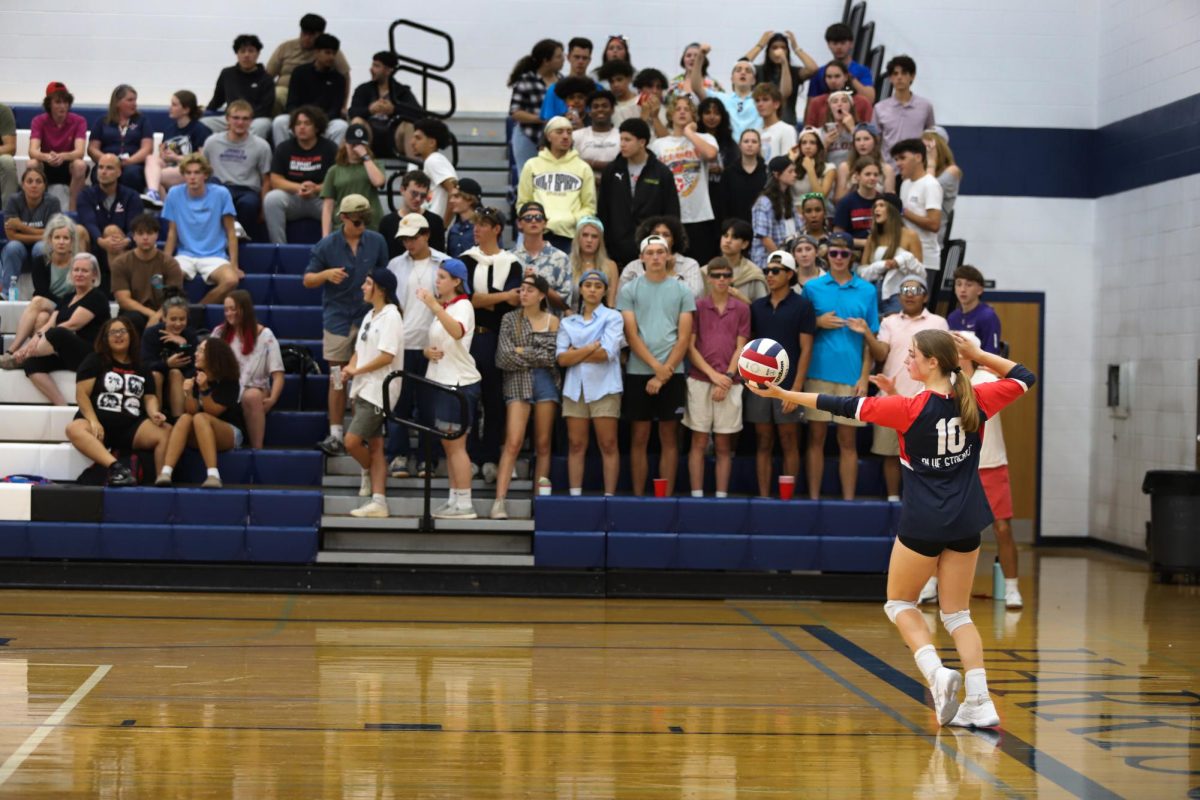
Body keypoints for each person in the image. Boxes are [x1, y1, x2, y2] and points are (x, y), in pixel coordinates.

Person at [746, 330, 1037, 729]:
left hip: (923, 522)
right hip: (967, 521)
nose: (906, 361)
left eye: (912, 355)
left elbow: (840, 404)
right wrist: (978, 353)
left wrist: (781, 395)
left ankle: (937, 674)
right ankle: (981, 701)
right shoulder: (977, 399)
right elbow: (1024, 376)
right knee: (958, 615)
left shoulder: (906, 409)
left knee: (899, 604)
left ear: (933, 362)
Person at [305, 194, 389, 457]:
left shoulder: (376, 241)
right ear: (343, 218)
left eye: (365, 220)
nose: (361, 224)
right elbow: (307, 279)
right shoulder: (326, 245)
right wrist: (326, 275)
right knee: (337, 377)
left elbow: (385, 276)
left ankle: (368, 430)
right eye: (356, 221)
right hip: (338, 317)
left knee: (370, 373)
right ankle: (336, 433)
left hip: (368, 317)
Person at [851, 274, 947, 501]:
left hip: (926, 401)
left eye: (915, 290)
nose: (909, 295)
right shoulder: (889, 322)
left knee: (925, 457)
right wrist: (867, 332)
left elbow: (944, 359)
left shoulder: (938, 323)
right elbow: (881, 354)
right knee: (891, 454)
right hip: (892, 399)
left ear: (925, 296)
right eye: (904, 290)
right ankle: (893, 499)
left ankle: (920, 500)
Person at [801, 232, 878, 500]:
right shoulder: (812, 288)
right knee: (816, 438)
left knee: (848, 441)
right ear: (827, 255)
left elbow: (872, 339)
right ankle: (812, 499)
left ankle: (849, 502)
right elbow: (801, 330)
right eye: (833, 253)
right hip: (817, 373)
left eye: (844, 253)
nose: (838, 258)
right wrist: (817, 323)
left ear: (852, 257)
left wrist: (864, 376)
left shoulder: (868, 290)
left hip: (850, 376)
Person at [618, 234, 696, 497]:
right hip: (639, 372)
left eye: (660, 252)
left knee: (669, 437)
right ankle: (639, 497)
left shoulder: (683, 291)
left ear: (668, 256)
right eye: (649, 253)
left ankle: (664, 497)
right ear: (641, 258)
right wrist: (656, 369)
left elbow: (684, 337)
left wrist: (664, 374)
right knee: (639, 437)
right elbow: (631, 335)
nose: (655, 257)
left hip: (672, 372)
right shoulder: (629, 290)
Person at [66, 317, 170, 487]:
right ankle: (117, 467)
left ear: (131, 336)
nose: (118, 336)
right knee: (73, 429)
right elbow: (82, 394)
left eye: (122, 331)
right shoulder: (95, 360)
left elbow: (149, 397)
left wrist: (154, 413)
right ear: (105, 339)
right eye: (112, 332)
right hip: (99, 424)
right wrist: (93, 421)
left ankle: (161, 479)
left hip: (132, 425)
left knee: (166, 431)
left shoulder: (141, 367)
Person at [416, 259, 483, 519]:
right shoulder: (446, 307)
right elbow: (440, 342)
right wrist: (426, 351)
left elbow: (456, 332)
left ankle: (465, 503)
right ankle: (454, 500)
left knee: (456, 446)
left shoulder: (463, 305)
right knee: (448, 445)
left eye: (443, 277)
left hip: (459, 384)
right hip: (442, 380)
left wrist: (432, 305)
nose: (437, 281)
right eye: (437, 276)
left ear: (457, 281)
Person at [744, 251, 815, 497]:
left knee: (788, 440)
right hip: (760, 386)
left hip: (788, 385)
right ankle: (764, 496)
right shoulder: (757, 306)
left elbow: (806, 350)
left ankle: (788, 497)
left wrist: (795, 390)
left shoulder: (803, 306)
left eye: (775, 271)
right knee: (763, 441)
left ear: (790, 274)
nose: (769, 275)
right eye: (767, 271)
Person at [385, 212, 449, 477]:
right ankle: (398, 454)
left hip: (432, 344)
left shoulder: (444, 264)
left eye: (413, 238)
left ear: (426, 236)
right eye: (405, 239)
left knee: (428, 405)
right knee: (398, 402)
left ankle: (428, 457)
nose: (409, 244)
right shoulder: (395, 265)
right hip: (402, 343)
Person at [491, 274, 561, 517]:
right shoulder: (509, 318)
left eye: (529, 290)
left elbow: (551, 356)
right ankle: (499, 500)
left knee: (543, 443)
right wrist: (534, 352)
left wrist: (521, 350)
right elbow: (503, 357)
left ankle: (540, 501)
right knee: (513, 441)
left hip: (546, 383)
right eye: (521, 290)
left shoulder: (553, 320)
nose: (523, 294)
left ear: (542, 295)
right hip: (518, 382)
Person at [460, 206, 520, 481]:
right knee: (469, 397)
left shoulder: (512, 262)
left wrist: (489, 298)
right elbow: (468, 300)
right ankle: (469, 454)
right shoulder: (466, 260)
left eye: (483, 224)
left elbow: (515, 301)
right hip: (471, 336)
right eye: (476, 223)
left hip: (499, 338)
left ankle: (490, 456)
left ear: (497, 229)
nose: (477, 228)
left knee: (495, 400)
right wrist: (501, 296)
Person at [343, 269, 405, 518]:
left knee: (352, 442)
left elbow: (387, 356)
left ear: (381, 289)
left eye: (367, 283)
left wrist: (358, 369)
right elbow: (360, 348)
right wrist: (351, 368)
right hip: (362, 386)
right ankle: (379, 501)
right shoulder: (370, 314)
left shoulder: (392, 316)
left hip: (379, 389)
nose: (362, 287)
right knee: (376, 445)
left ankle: (368, 470)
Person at [685, 261, 749, 498]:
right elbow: (690, 347)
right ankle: (696, 495)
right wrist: (714, 376)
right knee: (699, 441)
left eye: (726, 275)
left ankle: (721, 496)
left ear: (731, 278)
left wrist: (728, 377)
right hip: (700, 379)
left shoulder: (742, 309)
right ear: (709, 279)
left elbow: (741, 347)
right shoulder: (698, 307)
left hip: (731, 382)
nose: (721, 279)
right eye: (717, 275)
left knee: (723, 444)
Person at [556, 270, 624, 497]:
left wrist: (577, 351)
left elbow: (607, 353)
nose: (593, 289)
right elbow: (562, 359)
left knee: (608, 443)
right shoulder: (568, 322)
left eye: (598, 286)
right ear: (581, 289)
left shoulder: (613, 317)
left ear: (604, 291)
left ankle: (609, 497)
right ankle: (575, 495)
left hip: (605, 387)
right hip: (575, 389)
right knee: (575, 444)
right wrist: (589, 349)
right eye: (588, 285)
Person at [13, 253, 111, 405]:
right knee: (31, 363)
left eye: (84, 271)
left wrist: (29, 347)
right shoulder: (68, 297)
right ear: (71, 273)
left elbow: (72, 324)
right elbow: (49, 324)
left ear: (94, 275)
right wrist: (33, 341)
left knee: (59, 332)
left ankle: (20, 356)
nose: (79, 274)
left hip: (91, 354)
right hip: (68, 353)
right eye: (76, 270)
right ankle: (60, 404)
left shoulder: (97, 297)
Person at [155, 336, 247, 489]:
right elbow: (191, 411)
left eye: (202, 351)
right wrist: (189, 394)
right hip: (202, 430)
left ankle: (213, 475)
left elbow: (214, 412)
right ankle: (166, 472)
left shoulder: (228, 380)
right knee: (185, 418)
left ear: (214, 356)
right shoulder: (196, 375)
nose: (196, 354)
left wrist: (204, 389)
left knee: (201, 418)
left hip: (230, 432)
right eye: (197, 350)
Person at [597, 118, 680, 267]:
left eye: (627, 140)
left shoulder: (662, 173)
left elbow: (671, 213)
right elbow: (603, 210)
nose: (622, 144)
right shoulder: (611, 170)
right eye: (621, 139)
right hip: (616, 251)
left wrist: (667, 247)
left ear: (642, 142)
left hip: (652, 251)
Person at [162, 154, 242, 305]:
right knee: (168, 278)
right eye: (188, 173)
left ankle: (196, 310)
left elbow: (231, 232)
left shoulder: (221, 193)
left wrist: (234, 264)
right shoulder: (174, 193)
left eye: (197, 172)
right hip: (185, 254)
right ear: (183, 175)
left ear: (205, 175)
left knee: (231, 281)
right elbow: (172, 232)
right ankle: (178, 311)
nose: (192, 177)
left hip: (215, 255)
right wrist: (165, 262)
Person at [650, 97, 719, 264]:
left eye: (686, 109)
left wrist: (689, 132)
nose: (682, 112)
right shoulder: (659, 144)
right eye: (678, 108)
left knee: (701, 266)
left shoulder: (705, 138)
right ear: (670, 114)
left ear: (693, 115)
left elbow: (711, 154)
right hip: (670, 217)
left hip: (700, 216)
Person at [213, 290, 285, 450]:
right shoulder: (219, 333)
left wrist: (272, 399)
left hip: (256, 389)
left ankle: (257, 449)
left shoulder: (265, 335)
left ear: (245, 309)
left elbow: (278, 374)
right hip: (227, 390)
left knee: (251, 395)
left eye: (233, 309)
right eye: (226, 310)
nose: (229, 313)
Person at [517, 116, 596, 254]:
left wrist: (570, 220)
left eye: (569, 132)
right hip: (537, 235)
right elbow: (523, 203)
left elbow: (589, 207)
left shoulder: (583, 168)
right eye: (559, 132)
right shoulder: (532, 165)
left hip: (570, 236)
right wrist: (536, 220)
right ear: (548, 136)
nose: (565, 136)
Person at [3, 215, 78, 360]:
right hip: (50, 308)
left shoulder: (79, 262)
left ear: (72, 241)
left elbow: (80, 293)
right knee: (42, 317)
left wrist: (59, 306)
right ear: (50, 240)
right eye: (57, 237)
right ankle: (31, 358)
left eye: (65, 238)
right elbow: (42, 290)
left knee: (37, 301)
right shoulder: (41, 261)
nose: (61, 242)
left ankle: (12, 351)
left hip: (72, 307)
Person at [263, 106, 339, 244]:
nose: (302, 127)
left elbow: (337, 180)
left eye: (307, 123)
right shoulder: (284, 148)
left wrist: (315, 189)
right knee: (272, 199)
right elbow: (276, 180)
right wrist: (300, 187)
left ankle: (331, 249)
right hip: (293, 197)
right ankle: (279, 248)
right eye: (298, 124)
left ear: (316, 127)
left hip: (320, 198)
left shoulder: (330, 148)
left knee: (339, 204)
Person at [202, 100, 272, 238]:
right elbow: (203, 171)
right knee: (218, 193)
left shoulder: (261, 146)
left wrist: (263, 210)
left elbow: (266, 180)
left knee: (249, 204)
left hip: (247, 190)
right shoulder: (212, 142)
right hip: (220, 186)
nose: (240, 122)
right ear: (227, 119)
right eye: (236, 118)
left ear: (251, 121)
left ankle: (242, 239)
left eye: (245, 118)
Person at [109, 213, 184, 334]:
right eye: (140, 233)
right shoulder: (121, 263)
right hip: (134, 312)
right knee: (132, 318)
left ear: (157, 235)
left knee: (174, 318)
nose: (145, 237)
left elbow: (173, 298)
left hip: (163, 312)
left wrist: (158, 316)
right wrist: (151, 314)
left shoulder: (170, 263)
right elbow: (123, 300)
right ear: (133, 236)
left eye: (149, 233)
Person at [78, 152, 144, 283]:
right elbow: (89, 222)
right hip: (95, 245)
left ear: (119, 172)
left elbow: (136, 227)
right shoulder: (85, 195)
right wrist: (100, 240)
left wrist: (127, 240)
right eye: (101, 167)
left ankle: (119, 287)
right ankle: (81, 288)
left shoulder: (132, 196)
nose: (103, 171)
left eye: (109, 168)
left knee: (111, 230)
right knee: (78, 230)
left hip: (122, 247)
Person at [266, 13, 352, 113]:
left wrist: (344, 105)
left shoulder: (329, 51)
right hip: (287, 93)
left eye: (311, 35)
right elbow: (268, 75)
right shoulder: (285, 47)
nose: (306, 38)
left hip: (315, 95)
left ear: (320, 34)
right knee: (277, 94)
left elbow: (345, 77)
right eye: (304, 33)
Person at [274, 34, 350, 146]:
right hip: (300, 121)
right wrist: (303, 121)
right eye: (327, 52)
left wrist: (316, 123)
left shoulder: (339, 78)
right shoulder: (299, 72)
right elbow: (291, 103)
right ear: (316, 52)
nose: (331, 57)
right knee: (279, 122)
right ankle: (283, 157)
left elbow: (335, 109)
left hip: (323, 123)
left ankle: (333, 162)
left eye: (334, 53)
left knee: (341, 126)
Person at [857, 194, 925, 316]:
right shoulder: (872, 237)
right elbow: (862, 271)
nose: (876, 209)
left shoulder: (910, 236)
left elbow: (920, 274)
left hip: (899, 293)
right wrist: (882, 265)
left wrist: (901, 261)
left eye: (881, 205)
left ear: (893, 210)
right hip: (874, 292)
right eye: (875, 206)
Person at [142, 91, 212, 208]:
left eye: (174, 105)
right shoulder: (169, 129)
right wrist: (163, 155)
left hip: (189, 170)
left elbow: (202, 161)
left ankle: (164, 205)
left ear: (186, 109)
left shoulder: (200, 130)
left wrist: (176, 157)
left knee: (155, 177)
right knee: (151, 159)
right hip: (171, 167)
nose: (170, 108)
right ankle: (154, 195)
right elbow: (163, 157)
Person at [348, 51, 422, 158]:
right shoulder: (363, 89)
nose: (371, 69)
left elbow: (418, 114)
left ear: (388, 70)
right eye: (372, 65)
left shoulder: (402, 91)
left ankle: (413, 170)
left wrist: (394, 110)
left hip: (394, 138)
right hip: (370, 138)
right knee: (357, 122)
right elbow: (352, 112)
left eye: (376, 66)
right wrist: (370, 110)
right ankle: (353, 168)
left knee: (408, 126)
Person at [28, 82, 88, 212]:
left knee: (80, 165)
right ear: (49, 104)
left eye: (65, 102)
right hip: (47, 163)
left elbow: (80, 151)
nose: (63, 106)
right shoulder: (38, 121)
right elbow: (32, 151)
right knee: (32, 164)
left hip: (67, 164)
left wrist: (62, 156)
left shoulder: (79, 121)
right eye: (58, 102)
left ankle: (73, 212)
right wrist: (46, 156)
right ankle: (37, 209)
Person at [2, 164, 61, 297]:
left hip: (38, 246)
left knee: (41, 248)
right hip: (19, 246)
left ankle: (42, 293)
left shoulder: (53, 202)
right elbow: (11, 235)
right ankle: (5, 293)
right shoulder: (14, 200)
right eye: (29, 181)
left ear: (45, 186)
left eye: (38, 181)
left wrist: (21, 227)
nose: (34, 185)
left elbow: (54, 234)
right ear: (23, 185)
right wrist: (43, 234)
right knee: (12, 247)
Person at [508, 39, 564, 176]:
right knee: (527, 176)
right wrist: (541, 119)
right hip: (528, 136)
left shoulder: (562, 80)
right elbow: (515, 112)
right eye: (559, 56)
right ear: (546, 60)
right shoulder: (526, 80)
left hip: (554, 138)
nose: (563, 60)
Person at [202, 34, 275, 141]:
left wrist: (241, 120)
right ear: (237, 54)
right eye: (242, 51)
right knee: (203, 123)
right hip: (230, 119)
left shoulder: (266, 78)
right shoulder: (227, 73)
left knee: (261, 125)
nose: (246, 55)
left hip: (254, 119)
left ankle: (247, 154)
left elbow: (266, 108)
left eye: (251, 51)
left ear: (258, 54)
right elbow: (217, 99)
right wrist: (205, 111)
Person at [320, 124, 386, 236]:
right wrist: (325, 235)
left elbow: (378, 181)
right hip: (343, 227)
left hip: (371, 227)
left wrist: (365, 156)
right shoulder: (334, 170)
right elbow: (327, 206)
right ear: (345, 143)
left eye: (360, 144)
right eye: (353, 144)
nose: (356, 149)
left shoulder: (375, 165)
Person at [141, 295, 200, 419]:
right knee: (156, 375)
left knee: (175, 373)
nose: (178, 324)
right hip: (156, 383)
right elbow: (145, 364)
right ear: (164, 318)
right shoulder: (151, 333)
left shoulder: (190, 335)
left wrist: (183, 345)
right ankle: (156, 417)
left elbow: (193, 367)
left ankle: (176, 420)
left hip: (181, 384)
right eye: (173, 319)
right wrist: (166, 364)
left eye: (182, 319)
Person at [891, 138, 944, 273]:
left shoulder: (930, 185)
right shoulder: (905, 184)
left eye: (902, 158)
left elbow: (934, 225)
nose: (898, 163)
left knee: (914, 294)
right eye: (896, 159)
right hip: (904, 258)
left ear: (918, 157)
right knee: (902, 294)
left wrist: (903, 211)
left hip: (925, 262)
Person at [510, 201, 572, 314]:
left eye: (538, 217)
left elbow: (564, 304)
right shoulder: (509, 258)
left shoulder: (561, 258)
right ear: (519, 223)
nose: (533, 221)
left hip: (551, 327)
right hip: (516, 327)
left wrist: (539, 283)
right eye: (528, 218)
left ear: (545, 223)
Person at [88, 85, 154, 192]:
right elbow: (92, 149)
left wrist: (130, 161)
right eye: (130, 100)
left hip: (133, 164)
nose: (134, 104)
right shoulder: (102, 121)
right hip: (107, 162)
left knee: (132, 174)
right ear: (117, 102)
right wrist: (109, 160)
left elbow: (147, 148)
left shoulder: (142, 121)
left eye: (135, 100)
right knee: (101, 172)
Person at [744, 31, 817, 125]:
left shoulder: (794, 72)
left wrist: (796, 48)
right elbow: (741, 64)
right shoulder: (759, 71)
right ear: (768, 51)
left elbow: (813, 69)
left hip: (787, 123)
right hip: (761, 124)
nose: (779, 51)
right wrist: (760, 45)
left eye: (783, 48)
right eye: (774, 48)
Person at [619, 216, 704, 297]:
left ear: (674, 240)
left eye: (666, 235)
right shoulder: (632, 267)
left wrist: (671, 273)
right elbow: (621, 298)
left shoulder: (689, 265)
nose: (660, 237)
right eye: (655, 234)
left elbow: (695, 295)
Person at [689, 46, 762, 140]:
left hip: (755, 148)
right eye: (738, 70)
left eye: (748, 71)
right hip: (728, 150)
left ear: (754, 80)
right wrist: (700, 57)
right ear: (732, 79)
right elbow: (696, 87)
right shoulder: (721, 98)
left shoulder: (761, 101)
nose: (743, 73)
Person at [875, 55, 936, 164]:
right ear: (890, 78)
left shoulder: (925, 106)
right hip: (889, 169)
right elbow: (875, 141)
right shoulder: (879, 108)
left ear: (912, 76)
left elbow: (931, 137)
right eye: (895, 74)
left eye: (904, 73)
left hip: (917, 168)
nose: (899, 77)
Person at [379, 170, 446, 258]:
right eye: (414, 193)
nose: (418, 199)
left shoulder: (435, 221)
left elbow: (439, 257)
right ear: (402, 190)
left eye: (423, 195)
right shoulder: (387, 222)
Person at [751, 156, 802, 266]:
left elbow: (799, 230)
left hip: (788, 259)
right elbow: (765, 239)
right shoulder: (764, 202)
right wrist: (782, 261)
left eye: (795, 171)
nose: (795, 175)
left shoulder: (788, 199)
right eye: (790, 171)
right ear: (777, 174)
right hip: (768, 262)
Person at [806, 23, 876, 102]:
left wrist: (850, 78)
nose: (839, 47)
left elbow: (870, 99)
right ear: (828, 45)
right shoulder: (819, 73)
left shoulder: (862, 70)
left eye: (843, 43)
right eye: (835, 43)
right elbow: (811, 104)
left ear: (851, 44)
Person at [411, 118, 457, 226]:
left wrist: (443, 226)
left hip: (436, 227)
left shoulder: (433, 160)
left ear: (432, 142)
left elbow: (454, 191)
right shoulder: (431, 161)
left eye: (418, 138)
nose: (412, 142)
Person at [696, 97, 736, 223]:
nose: (712, 117)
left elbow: (735, 168)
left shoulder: (729, 142)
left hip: (722, 197)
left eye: (716, 113)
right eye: (707, 113)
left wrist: (722, 170)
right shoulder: (694, 139)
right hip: (698, 197)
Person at [947, 265, 1003, 355]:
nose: (963, 289)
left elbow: (992, 353)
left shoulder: (988, 316)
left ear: (980, 290)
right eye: (958, 284)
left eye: (969, 285)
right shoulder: (952, 317)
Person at [833, 156, 882, 255]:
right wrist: (865, 243)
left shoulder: (884, 201)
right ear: (857, 176)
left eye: (875, 175)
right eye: (867, 174)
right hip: (854, 253)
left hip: (881, 252)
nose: (872, 178)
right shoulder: (846, 202)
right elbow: (838, 235)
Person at [834, 123, 895, 202]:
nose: (862, 144)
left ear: (875, 142)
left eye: (866, 139)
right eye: (858, 140)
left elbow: (891, 203)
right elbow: (837, 201)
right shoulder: (845, 167)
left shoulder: (887, 169)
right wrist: (851, 187)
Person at [711, 219, 767, 305]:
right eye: (725, 236)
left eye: (734, 237)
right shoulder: (707, 271)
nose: (728, 241)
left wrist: (742, 299)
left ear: (745, 244)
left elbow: (763, 310)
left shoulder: (754, 273)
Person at [719, 128, 766, 227]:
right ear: (740, 145)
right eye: (746, 141)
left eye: (754, 141)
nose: (750, 144)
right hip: (736, 227)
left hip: (762, 226)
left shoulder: (767, 172)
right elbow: (723, 204)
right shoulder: (728, 173)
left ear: (759, 146)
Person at [803, 61, 873, 127]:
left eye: (837, 76)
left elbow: (870, 131)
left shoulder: (863, 102)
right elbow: (809, 131)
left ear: (846, 77)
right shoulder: (817, 103)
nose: (833, 81)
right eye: (829, 77)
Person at [541, 38, 597, 121]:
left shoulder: (597, 88)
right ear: (568, 57)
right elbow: (547, 121)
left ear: (589, 60)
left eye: (584, 58)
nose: (580, 61)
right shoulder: (554, 89)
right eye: (576, 57)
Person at [568, 216, 619, 307]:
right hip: (571, 316)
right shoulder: (566, 263)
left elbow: (611, 303)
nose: (589, 240)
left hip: (602, 317)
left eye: (594, 236)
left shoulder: (610, 266)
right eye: (585, 235)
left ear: (600, 241)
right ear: (578, 238)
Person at [923, 128, 962, 244]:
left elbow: (928, 191)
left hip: (932, 239)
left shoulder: (952, 171)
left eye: (928, 148)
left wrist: (931, 163)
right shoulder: (923, 169)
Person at [573, 90, 620, 175]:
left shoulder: (621, 135)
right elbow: (571, 164)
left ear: (612, 110)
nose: (600, 109)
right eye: (595, 107)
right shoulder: (576, 136)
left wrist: (590, 163)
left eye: (605, 106)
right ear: (589, 112)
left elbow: (624, 166)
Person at [753, 83, 797, 162]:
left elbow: (789, 162)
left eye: (765, 99)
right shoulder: (755, 132)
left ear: (776, 104)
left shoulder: (787, 130)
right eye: (757, 101)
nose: (760, 104)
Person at [792, 127, 835, 203]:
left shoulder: (829, 168)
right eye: (804, 143)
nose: (807, 146)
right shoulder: (792, 166)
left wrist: (810, 170)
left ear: (818, 146)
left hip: (818, 211)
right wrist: (790, 160)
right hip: (794, 212)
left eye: (812, 142)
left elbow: (820, 196)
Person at [820, 90, 859, 168]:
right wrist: (825, 144)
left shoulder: (860, 130)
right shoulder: (820, 132)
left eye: (844, 101)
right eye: (835, 102)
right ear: (830, 109)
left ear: (850, 107)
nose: (839, 104)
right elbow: (814, 160)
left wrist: (852, 129)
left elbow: (866, 153)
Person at [445, 178, 482, 258]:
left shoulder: (483, 228)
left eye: (456, 196)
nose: (451, 200)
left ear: (470, 199)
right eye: (452, 196)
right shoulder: (454, 229)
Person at [632, 67, 670, 139]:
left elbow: (668, 141)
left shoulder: (667, 111)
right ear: (640, 89)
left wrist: (655, 117)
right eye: (649, 86)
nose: (654, 91)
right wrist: (643, 117)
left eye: (658, 87)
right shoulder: (629, 109)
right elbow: (631, 140)